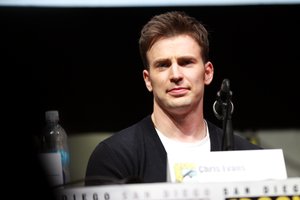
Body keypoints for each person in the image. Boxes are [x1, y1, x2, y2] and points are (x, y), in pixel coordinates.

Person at [85, 11, 261, 185]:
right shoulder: (114, 157)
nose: (176, 75)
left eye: (186, 62)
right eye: (163, 65)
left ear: (207, 73)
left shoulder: (250, 157)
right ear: (148, 80)